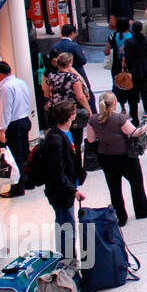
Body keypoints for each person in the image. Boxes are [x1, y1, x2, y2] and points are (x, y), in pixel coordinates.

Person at [85, 92, 147, 227]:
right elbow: (135, 133)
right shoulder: (119, 119)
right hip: (125, 156)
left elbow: (91, 140)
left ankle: (121, 216)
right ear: (114, 103)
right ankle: (142, 210)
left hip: (105, 157)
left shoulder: (93, 120)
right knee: (136, 183)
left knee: (114, 188)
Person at [40, 103, 85, 256]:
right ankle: (68, 262)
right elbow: (56, 172)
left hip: (65, 188)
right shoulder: (55, 140)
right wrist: (74, 190)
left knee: (65, 225)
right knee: (67, 228)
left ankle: (67, 259)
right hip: (61, 192)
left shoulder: (63, 133)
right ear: (70, 116)